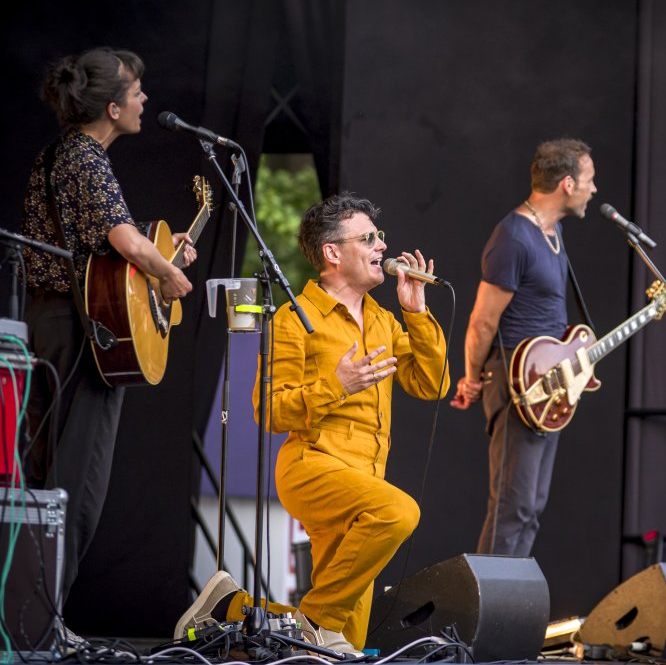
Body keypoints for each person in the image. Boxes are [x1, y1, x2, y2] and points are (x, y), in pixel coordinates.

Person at [175, 193, 449, 655]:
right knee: (399, 512)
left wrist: (417, 312)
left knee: (341, 646)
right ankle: (314, 620)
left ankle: (231, 607)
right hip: (311, 467)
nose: (382, 245)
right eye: (368, 238)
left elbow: (432, 384)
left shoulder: (384, 321)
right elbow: (268, 411)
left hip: (363, 481)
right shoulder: (294, 319)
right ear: (332, 253)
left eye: (379, 236)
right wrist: (337, 384)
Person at [19, 47, 196, 618]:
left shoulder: (58, 154)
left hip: (51, 320)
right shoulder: (88, 158)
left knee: (46, 471)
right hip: (82, 329)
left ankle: (27, 615)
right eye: (137, 92)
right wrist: (167, 272)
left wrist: (157, 251)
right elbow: (123, 241)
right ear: (114, 109)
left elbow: (98, 248)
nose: (145, 100)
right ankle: (45, 618)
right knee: (80, 479)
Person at [450, 138, 597, 556]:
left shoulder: (553, 232)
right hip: (518, 383)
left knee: (531, 508)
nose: (594, 189)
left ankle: (511, 595)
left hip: (549, 384)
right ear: (567, 184)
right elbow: (482, 322)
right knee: (511, 507)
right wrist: (472, 378)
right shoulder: (513, 238)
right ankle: (489, 597)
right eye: (589, 179)